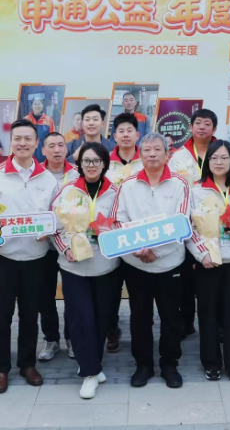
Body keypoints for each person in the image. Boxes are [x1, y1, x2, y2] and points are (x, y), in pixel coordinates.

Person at [0, 119, 60, 393]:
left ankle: (27, 364)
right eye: (17, 138)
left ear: (37, 144)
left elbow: (57, 215)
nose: (22, 143)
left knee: (29, 315)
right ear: (11, 142)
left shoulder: (48, 179)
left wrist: (50, 230)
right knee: (1, 316)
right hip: (3, 258)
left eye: (28, 138)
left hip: (36, 258)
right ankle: (1, 368)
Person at [113, 133, 190, 389]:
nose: (152, 154)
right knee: (140, 317)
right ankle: (143, 365)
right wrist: (138, 248)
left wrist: (157, 251)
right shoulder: (127, 185)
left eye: (158, 149)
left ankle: (170, 364)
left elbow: (183, 222)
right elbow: (119, 220)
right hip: (136, 264)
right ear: (140, 155)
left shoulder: (180, 184)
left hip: (170, 263)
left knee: (171, 317)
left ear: (167, 154)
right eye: (146, 150)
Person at [51, 142, 121, 399]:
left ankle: (94, 363)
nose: (91, 165)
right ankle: (89, 373)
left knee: (102, 319)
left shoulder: (116, 191)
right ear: (79, 164)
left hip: (106, 266)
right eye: (86, 161)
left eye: (96, 161)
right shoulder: (67, 190)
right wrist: (65, 249)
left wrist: (111, 231)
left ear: (104, 164)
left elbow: (123, 222)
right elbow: (55, 226)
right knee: (81, 319)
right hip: (75, 266)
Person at [186, 140, 230, 383]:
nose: (219, 162)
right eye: (214, 158)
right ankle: (211, 363)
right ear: (207, 161)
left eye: (224, 158)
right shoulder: (196, 190)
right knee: (208, 314)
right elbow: (189, 228)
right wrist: (201, 254)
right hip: (208, 262)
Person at [168, 109, 218, 337]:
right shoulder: (178, 157)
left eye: (207, 123)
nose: (202, 127)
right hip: (186, 224)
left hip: (214, 225)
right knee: (185, 278)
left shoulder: (222, 151)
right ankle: (186, 322)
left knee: (214, 276)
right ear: (191, 127)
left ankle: (217, 324)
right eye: (198, 123)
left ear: (214, 129)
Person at [102, 112, 143, 353]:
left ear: (137, 135)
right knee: (110, 289)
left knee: (138, 288)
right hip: (110, 232)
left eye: (130, 131)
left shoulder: (147, 159)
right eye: (121, 131)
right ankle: (111, 330)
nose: (126, 135)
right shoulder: (104, 162)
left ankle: (141, 332)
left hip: (139, 233)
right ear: (114, 136)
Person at [37, 132, 77, 361]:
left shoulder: (78, 173)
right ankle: (51, 339)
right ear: (43, 150)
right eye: (51, 146)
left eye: (61, 145)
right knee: (45, 295)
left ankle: (72, 338)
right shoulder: (36, 175)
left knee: (72, 294)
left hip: (71, 245)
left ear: (66, 149)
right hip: (43, 247)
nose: (57, 150)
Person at [24, 96, 56, 161]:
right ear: (32, 106)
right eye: (35, 104)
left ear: (42, 105)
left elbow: (53, 139)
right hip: (28, 156)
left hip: (44, 156)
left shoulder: (49, 120)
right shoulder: (25, 120)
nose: (37, 106)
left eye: (39, 104)